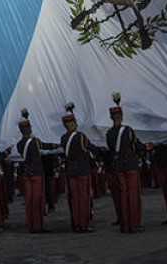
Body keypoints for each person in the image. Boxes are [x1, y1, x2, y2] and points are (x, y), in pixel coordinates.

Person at [15, 108, 59, 233]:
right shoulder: (35, 142)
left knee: (29, 200)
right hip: (37, 173)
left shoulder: (19, 145)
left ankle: (31, 225)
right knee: (38, 200)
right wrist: (57, 145)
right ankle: (39, 225)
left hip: (26, 174)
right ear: (29, 128)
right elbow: (47, 146)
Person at [106, 92, 144, 233]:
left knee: (122, 195)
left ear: (111, 118)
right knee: (133, 195)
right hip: (131, 166)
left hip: (118, 166)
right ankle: (134, 223)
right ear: (121, 117)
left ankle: (125, 224)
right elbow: (137, 145)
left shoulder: (109, 133)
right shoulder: (128, 130)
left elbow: (110, 148)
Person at [60, 102, 99, 233]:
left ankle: (75, 223)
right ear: (73, 123)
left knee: (74, 198)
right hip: (82, 170)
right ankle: (83, 224)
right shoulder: (80, 137)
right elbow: (91, 148)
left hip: (70, 170)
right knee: (83, 197)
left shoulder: (63, 138)